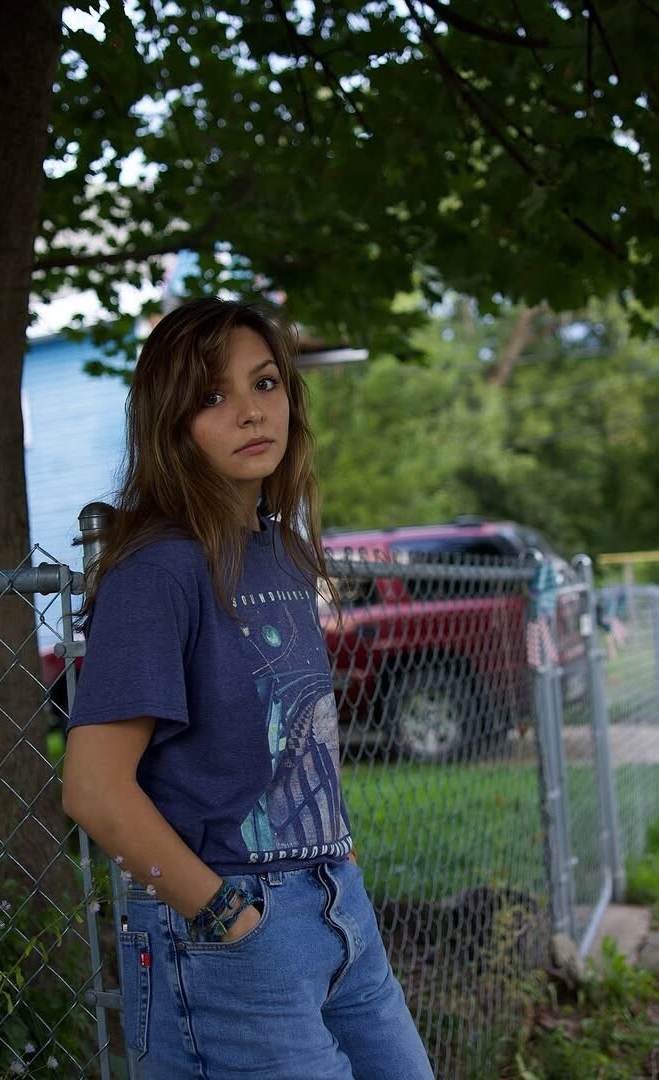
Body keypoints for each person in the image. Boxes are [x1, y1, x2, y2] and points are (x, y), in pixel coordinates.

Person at [61, 297, 434, 1080]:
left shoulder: (284, 554)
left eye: (265, 384)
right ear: (170, 423)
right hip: (231, 929)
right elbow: (94, 789)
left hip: (337, 904)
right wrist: (230, 917)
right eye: (212, 396)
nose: (251, 412)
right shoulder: (156, 572)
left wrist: (339, 857)